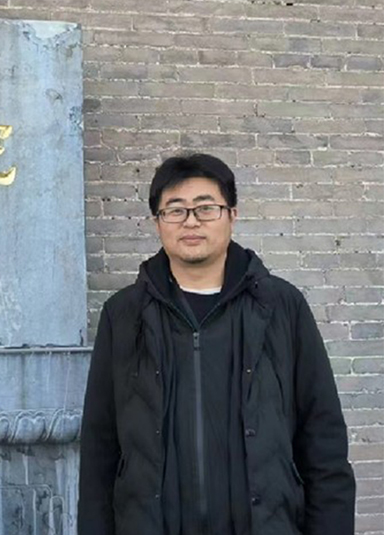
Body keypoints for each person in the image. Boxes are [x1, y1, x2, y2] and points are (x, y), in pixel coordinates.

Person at [77, 153, 355, 535]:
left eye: (206, 208)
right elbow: (100, 448)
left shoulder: (281, 307)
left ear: (232, 215)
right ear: (157, 222)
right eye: (175, 210)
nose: (191, 221)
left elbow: (323, 437)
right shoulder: (124, 314)